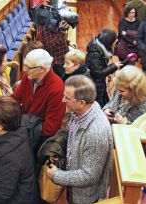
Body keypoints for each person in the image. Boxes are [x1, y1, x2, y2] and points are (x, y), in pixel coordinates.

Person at [46, 75, 113, 204]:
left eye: (67, 98)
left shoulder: (96, 132)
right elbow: (72, 136)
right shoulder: (78, 112)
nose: (62, 100)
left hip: (83, 197)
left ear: (81, 102)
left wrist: (56, 175)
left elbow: (89, 176)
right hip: (72, 185)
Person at [11, 49, 66, 149]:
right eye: (24, 65)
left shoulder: (57, 89)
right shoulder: (28, 77)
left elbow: (50, 129)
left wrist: (21, 129)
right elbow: (14, 99)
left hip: (37, 141)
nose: (24, 70)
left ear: (42, 68)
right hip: (24, 130)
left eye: (28, 67)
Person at [86, 28, 123, 107]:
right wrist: (113, 67)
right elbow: (97, 73)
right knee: (98, 105)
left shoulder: (99, 48)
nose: (115, 43)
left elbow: (99, 66)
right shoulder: (95, 53)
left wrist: (108, 72)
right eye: (114, 41)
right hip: (95, 85)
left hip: (100, 83)